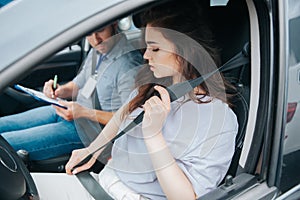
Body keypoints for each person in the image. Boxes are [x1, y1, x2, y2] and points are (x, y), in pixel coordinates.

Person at [31, 0, 238, 199]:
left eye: (155, 48)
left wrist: (153, 135)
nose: (146, 55)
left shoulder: (218, 119)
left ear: (186, 50)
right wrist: (92, 150)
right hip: (101, 181)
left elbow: (185, 197)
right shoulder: (154, 85)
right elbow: (124, 113)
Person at [0, 23, 143, 161]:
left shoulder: (128, 65)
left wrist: (84, 112)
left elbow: (130, 119)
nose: (95, 40)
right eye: (88, 33)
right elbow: (78, 84)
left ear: (114, 23)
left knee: (6, 144)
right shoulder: (98, 50)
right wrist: (60, 91)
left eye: (100, 30)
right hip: (69, 111)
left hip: (89, 132)